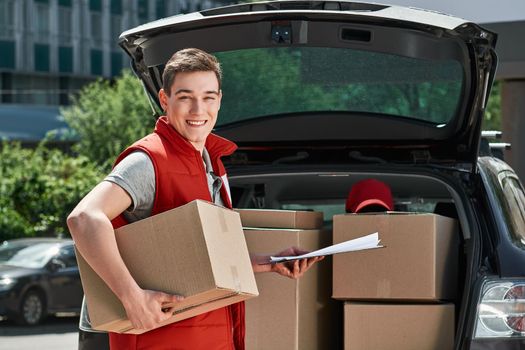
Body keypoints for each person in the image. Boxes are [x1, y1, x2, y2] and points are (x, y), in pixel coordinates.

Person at [67, 48, 322, 350]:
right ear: (165, 100)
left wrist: (269, 262)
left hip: (211, 335)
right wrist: (131, 296)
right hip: (163, 339)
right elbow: (84, 218)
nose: (198, 110)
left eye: (208, 97)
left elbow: (196, 258)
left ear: (220, 100)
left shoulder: (211, 165)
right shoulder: (149, 160)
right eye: (185, 97)